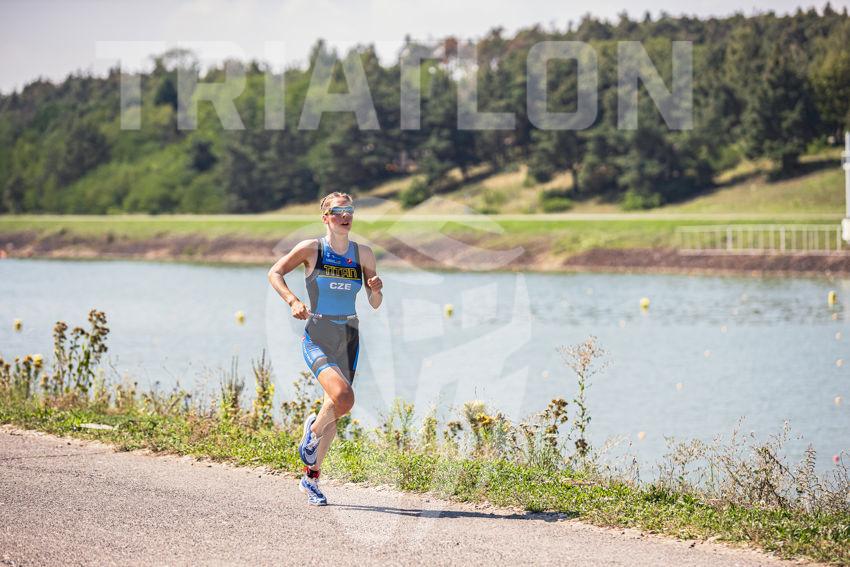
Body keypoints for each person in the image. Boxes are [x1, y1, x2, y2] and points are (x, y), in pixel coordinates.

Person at [267, 192, 383, 506]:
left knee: (335, 409)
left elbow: (374, 303)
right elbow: (274, 272)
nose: (345, 216)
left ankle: (311, 479)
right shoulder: (312, 249)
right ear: (326, 217)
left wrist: (376, 289)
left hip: (349, 335)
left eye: (350, 210)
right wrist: (292, 301)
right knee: (344, 398)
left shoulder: (363, 253)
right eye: (338, 211)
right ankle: (312, 433)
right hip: (319, 333)